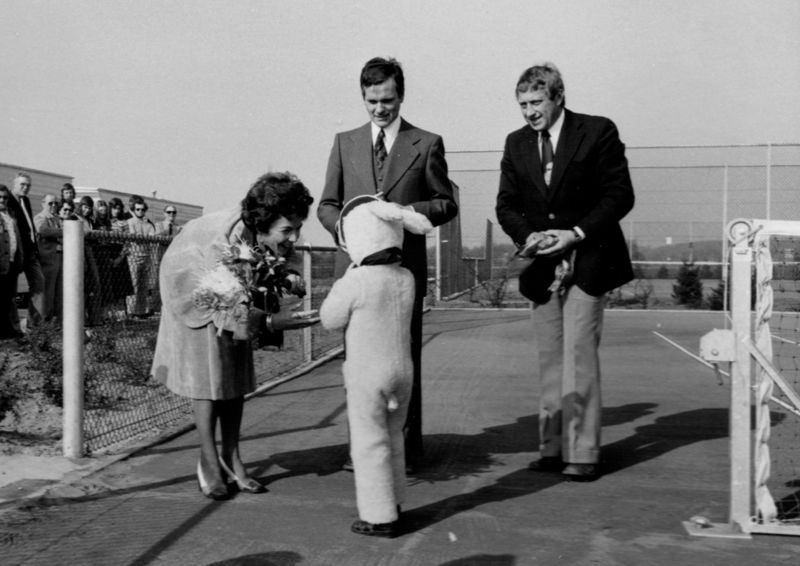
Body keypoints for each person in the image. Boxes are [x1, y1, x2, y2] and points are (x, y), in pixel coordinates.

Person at [495, 62, 635, 481]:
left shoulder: (597, 131)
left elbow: (620, 195)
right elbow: (506, 205)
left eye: (537, 102)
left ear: (558, 97)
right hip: (542, 268)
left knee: (579, 355)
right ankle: (552, 447)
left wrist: (574, 234)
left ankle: (584, 452)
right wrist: (531, 236)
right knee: (550, 359)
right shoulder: (516, 143)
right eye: (523, 104)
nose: (529, 112)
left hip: (590, 260)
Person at [317, 56, 458, 469]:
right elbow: (327, 205)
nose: (380, 108)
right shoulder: (344, 142)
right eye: (372, 100)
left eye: (388, 100)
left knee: (403, 360)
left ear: (402, 96)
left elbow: (446, 203)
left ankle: (405, 451)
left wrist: (402, 212)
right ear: (363, 97)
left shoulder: (427, 142)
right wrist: (349, 228)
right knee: (358, 363)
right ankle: (362, 449)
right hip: (356, 275)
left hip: (403, 274)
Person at [151, 171, 318, 500]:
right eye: (288, 230)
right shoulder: (222, 243)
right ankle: (208, 459)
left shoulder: (262, 234)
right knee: (209, 376)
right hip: (192, 289)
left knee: (236, 369)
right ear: (262, 223)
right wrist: (271, 322)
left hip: (229, 288)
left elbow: (266, 267)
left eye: (298, 228)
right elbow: (224, 307)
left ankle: (231, 456)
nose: (295, 237)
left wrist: (286, 276)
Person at [8, 173, 45, 329]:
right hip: (16, 252)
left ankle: (34, 325)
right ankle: (13, 326)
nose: (25, 188)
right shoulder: (8, 200)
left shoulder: (26, 201)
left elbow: (30, 227)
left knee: (39, 284)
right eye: (22, 184)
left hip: (30, 251)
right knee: (11, 290)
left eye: (28, 185)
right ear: (14, 184)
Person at [124, 195, 157, 317]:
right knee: (134, 285)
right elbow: (135, 238)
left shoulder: (148, 224)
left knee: (144, 286)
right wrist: (144, 239)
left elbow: (152, 238)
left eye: (142, 209)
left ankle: (141, 311)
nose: (140, 211)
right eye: (138, 209)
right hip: (133, 256)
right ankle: (131, 311)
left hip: (146, 256)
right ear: (133, 209)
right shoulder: (130, 222)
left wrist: (143, 238)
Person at [0, 185, 25, 339]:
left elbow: (17, 238)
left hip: (12, 262)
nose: (2, 200)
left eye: (5, 197)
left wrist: (20, 259)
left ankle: (9, 330)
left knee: (8, 298)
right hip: (1, 263)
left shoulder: (10, 215)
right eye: (0, 197)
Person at [33, 194, 63, 321]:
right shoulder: (40, 217)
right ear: (43, 203)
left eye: (56, 203)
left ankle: (54, 320)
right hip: (48, 258)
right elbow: (42, 230)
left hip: (60, 257)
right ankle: (42, 321)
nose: (54, 206)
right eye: (50, 203)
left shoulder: (58, 218)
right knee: (47, 291)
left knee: (59, 291)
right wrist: (63, 232)